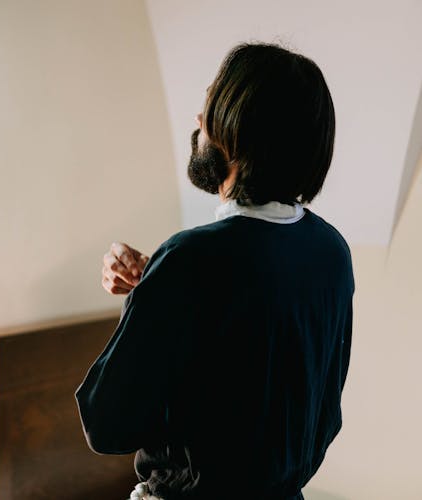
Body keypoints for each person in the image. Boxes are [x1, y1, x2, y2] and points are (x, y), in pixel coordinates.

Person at [75, 43, 354, 500]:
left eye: (209, 105)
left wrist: (154, 297)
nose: (198, 121)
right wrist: (155, 289)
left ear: (238, 128)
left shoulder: (191, 259)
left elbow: (107, 425)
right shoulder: (331, 252)